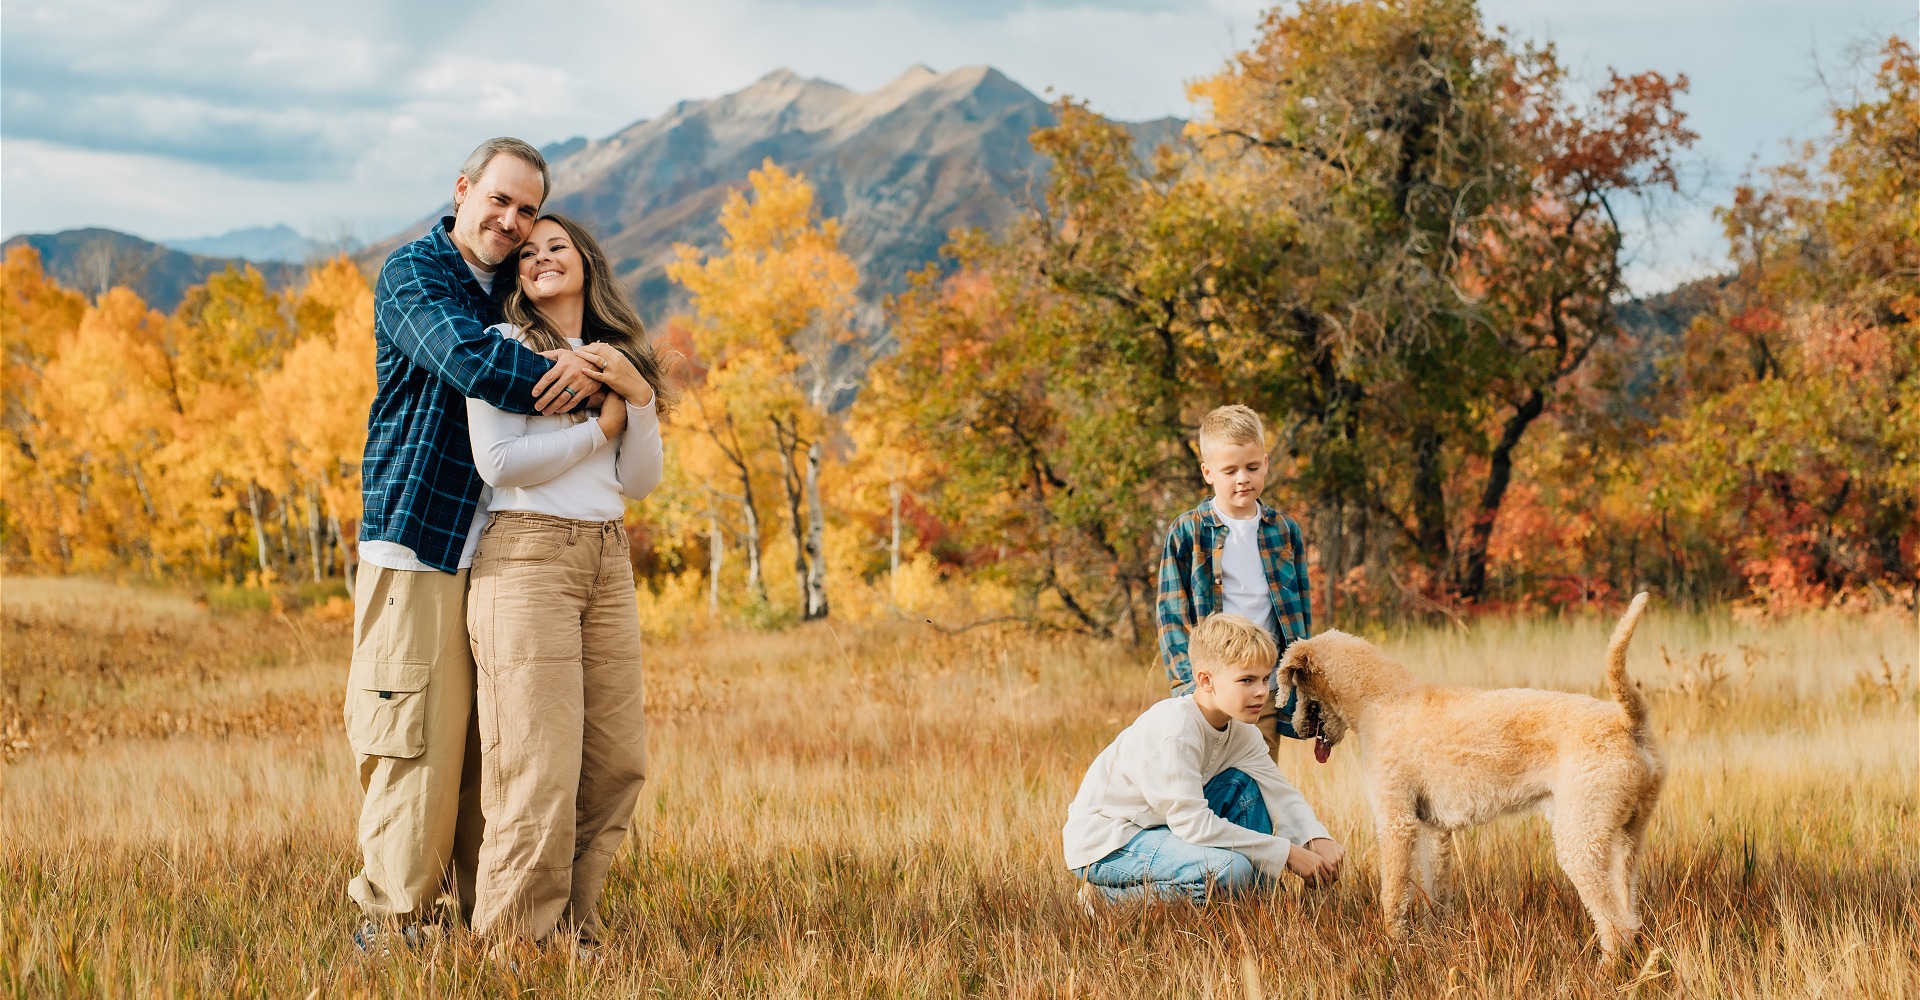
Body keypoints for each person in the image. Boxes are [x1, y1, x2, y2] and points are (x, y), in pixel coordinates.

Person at [346, 137, 602, 951]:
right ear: (463, 189)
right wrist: (604, 386)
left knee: (484, 744)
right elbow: (466, 362)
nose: (512, 220)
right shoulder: (416, 275)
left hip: (493, 548)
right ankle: (390, 922)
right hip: (418, 542)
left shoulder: (510, 295)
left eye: (527, 210)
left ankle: (477, 915)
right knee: (413, 734)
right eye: (499, 199)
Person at [464, 213, 675, 954]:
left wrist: (637, 400)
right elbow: (500, 464)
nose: (541, 257)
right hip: (526, 560)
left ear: (587, 260)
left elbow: (640, 482)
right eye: (526, 253)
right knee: (537, 765)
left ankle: (570, 931)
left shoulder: (625, 357)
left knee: (616, 764)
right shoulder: (506, 347)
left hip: (607, 560)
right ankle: (514, 945)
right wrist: (601, 428)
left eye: (556, 246)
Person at [1064, 614, 1343, 903]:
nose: (1261, 691)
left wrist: (1313, 837)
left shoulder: (1242, 731)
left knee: (1248, 787)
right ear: (1206, 680)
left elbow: (1278, 790)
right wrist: (1285, 852)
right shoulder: (1175, 730)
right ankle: (1104, 901)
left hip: (1160, 827)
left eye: (1264, 678)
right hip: (1110, 843)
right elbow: (1193, 824)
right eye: (1246, 680)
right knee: (1230, 871)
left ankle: (1257, 901)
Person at [1156, 404, 1315, 757]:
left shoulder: (1285, 532)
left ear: (1266, 463)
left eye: (1252, 467)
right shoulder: (1188, 532)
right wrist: (1188, 687)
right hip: (1211, 692)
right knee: (1209, 783)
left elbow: (1300, 613)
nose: (1242, 478)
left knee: (1261, 782)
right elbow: (1171, 616)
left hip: (1266, 688)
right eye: (1230, 470)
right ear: (1208, 472)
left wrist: (1305, 684)